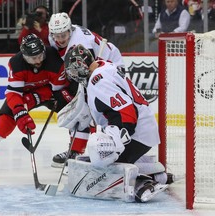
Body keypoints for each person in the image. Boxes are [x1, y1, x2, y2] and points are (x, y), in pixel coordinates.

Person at [62, 44, 172, 202]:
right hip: (142, 127)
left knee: (104, 165)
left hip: (136, 131)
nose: (73, 76)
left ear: (81, 65)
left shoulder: (98, 81)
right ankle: (159, 176)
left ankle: (144, 183)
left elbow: (127, 112)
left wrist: (116, 141)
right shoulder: (103, 66)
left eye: (73, 70)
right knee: (102, 160)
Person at [0, 34, 67, 177]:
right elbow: (13, 93)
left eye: (40, 56)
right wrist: (20, 113)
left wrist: (35, 97)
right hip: (23, 95)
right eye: (32, 58)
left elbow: (58, 90)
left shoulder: (54, 59)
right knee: (4, 123)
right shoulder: (16, 63)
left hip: (49, 93)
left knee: (73, 112)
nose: (37, 61)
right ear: (24, 56)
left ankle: (75, 153)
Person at [47, 12, 125, 168]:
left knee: (93, 108)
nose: (60, 39)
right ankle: (77, 150)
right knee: (81, 107)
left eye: (64, 34)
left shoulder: (81, 42)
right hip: (93, 67)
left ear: (70, 30)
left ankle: (108, 148)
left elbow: (86, 68)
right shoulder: (54, 37)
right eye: (57, 35)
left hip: (111, 67)